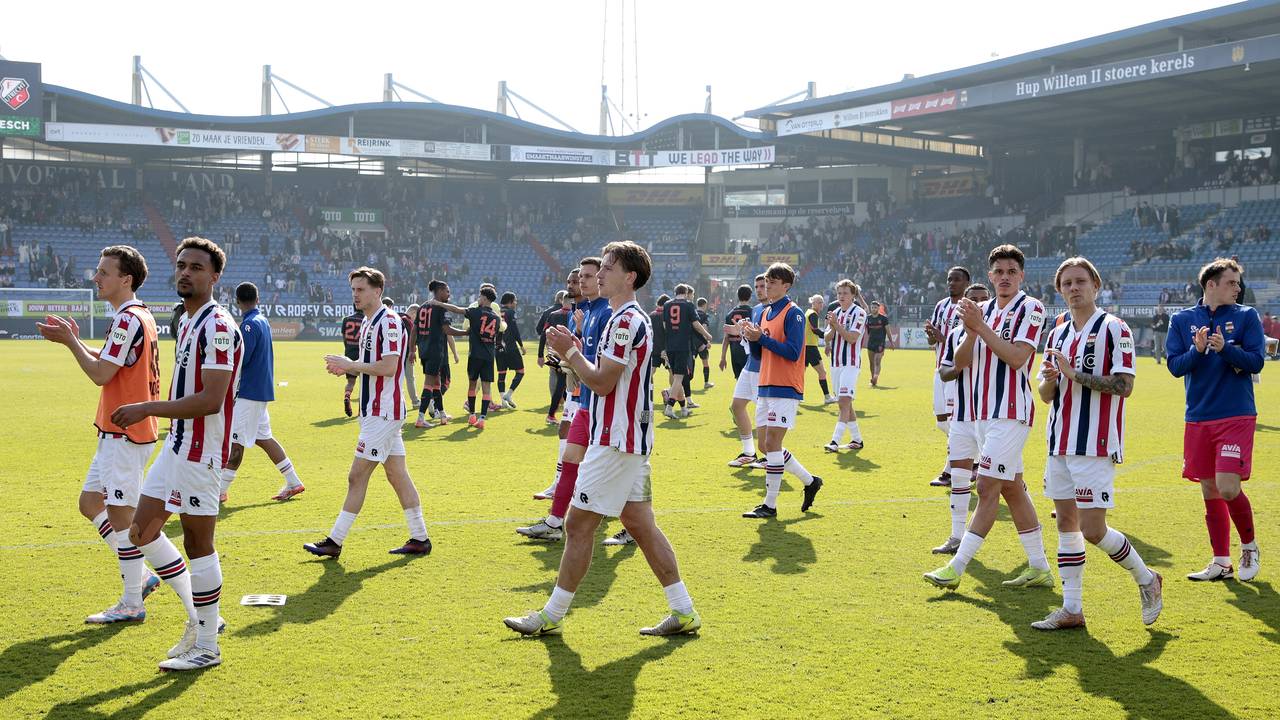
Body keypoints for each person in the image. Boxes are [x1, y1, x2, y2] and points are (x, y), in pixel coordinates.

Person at [504, 241, 700, 637]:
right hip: (626, 437)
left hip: (616, 439)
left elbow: (604, 383)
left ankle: (550, 616)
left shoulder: (626, 320)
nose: (600, 273)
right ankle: (683, 611)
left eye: (609, 267)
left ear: (630, 277)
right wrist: (574, 353)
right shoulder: (622, 317)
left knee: (577, 525)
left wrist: (571, 353)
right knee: (640, 524)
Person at [113, 237, 242, 671]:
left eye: (197, 267)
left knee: (199, 543)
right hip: (177, 444)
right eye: (182, 265)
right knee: (140, 532)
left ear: (215, 276)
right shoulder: (186, 320)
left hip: (202, 452)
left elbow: (210, 399)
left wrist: (147, 407)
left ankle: (208, 645)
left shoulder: (218, 326)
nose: (186, 272)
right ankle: (202, 621)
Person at [1033, 257, 1163, 630]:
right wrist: (1052, 379)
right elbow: (1046, 394)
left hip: (1095, 440)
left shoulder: (1114, 328)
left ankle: (1147, 579)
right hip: (1059, 440)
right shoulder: (1056, 332)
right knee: (1067, 526)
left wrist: (1075, 374)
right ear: (1060, 290)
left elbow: (1125, 385)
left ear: (1096, 285)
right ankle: (1072, 608)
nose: (1074, 288)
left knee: (1093, 529)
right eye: (1067, 283)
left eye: (1080, 281)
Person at [36, 245, 163, 625]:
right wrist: (78, 341)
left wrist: (71, 343)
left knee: (124, 518)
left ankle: (131, 601)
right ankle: (140, 577)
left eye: (104, 272)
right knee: (91, 503)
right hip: (120, 431)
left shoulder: (127, 320)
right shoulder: (136, 316)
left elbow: (100, 375)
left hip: (125, 434)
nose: (96, 277)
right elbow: (113, 360)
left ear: (126, 279)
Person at [924, 245, 1052, 591]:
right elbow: (960, 363)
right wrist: (971, 331)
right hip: (980, 415)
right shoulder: (981, 311)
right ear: (990, 275)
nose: (1005, 277)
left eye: (1012, 271)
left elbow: (1016, 358)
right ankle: (1039, 566)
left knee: (985, 486)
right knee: (1012, 488)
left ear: (1021, 275)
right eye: (999, 272)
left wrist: (981, 327)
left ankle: (956, 566)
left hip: (1010, 412)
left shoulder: (1031, 308)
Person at [307, 267, 431, 560]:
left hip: (383, 412)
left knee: (356, 475)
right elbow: (371, 366)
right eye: (353, 290)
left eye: (360, 290)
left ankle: (334, 541)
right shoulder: (367, 322)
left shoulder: (388, 322)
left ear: (378, 291)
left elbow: (388, 367)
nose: (355, 295)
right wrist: (347, 367)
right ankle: (420, 538)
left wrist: (351, 365)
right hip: (376, 411)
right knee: (397, 474)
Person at [1167, 257, 1264, 582]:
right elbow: (1175, 366)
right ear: (1211, 284)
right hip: (1198, 416)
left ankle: (1249, 545)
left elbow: (1256, 361)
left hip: (1235, 414)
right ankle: (1221, 561)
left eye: (1238, 283)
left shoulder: (1247, 316)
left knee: (1227, 485)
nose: (1237, 288)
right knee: (1209, 488)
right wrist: (1197, 351)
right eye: (1231, 282)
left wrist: (1225, 350)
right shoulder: (1182, 319)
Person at [517, 258, 619, 544]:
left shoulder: (607, 314)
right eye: (580, 277)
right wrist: (569, 352)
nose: (584, 281)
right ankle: (553, 523)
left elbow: (605, 366)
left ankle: (631, 525)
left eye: (589, 276)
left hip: (605, 406)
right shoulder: (586, 312)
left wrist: (571, 356)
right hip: (587, 403)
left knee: (619, 468)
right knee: (570, 459)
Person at [741, 263, 824, 518]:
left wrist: (762, 339)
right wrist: (750, 338)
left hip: (785, 385)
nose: (768, 285)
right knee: (766, 446)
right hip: (765, 384)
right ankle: (810, 481)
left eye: (773, 281)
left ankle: (770, 505)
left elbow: (792, 351)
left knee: (772, 443)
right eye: (767, 280)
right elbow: (760, 352)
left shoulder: (794, 313)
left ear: (786, 286)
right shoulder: (765, 313)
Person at [220, 282, 305, 503]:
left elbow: (242, 359)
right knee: (264, 438)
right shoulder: (262, 320)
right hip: (260, 391)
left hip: (248, 392)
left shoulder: (247, 326)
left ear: (237, 302)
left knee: (235, 443)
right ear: (258, 299)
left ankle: (218, 492)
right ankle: (294, 481)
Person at [931, 283, 990, 556]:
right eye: (972, 300)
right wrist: (957, 366)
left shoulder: (1000, 335)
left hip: (995, 417)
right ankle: (956, 536)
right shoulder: (955, 335)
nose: (978, 304)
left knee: (1012, 486)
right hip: (963, 414)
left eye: (982, 299)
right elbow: (944, 371)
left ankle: (1036, 557)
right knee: (959, 477)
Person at [429, 286, 502, 429]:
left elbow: (456, 309)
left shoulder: (475, 312)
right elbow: (497, 338)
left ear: (485, 298)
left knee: (472, 385)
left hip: (475, 355)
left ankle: (472, 415)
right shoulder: (496, 318)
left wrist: (440, 304)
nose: (478, 299)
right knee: (486, 387)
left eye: (480, 297)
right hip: (489, 356)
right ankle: (482, 419)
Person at [926, 267, 971, 487]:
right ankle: (975, 459)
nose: (952, 283)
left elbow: (964, 340)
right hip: (939, 370)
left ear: (966, 283)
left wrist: (943, 338)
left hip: (957, 372)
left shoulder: (969, 308)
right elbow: (933, 342)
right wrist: (931, 336)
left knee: (955, 423)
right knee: (942, 423)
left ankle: (951, 470)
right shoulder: (941, 306)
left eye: (957, 280)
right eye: (949, 279)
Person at [727, 275, 768, 468]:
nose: (760, 289)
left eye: (763, 286)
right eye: (757, 286)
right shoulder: (756, 309)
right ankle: (749, 452)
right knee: (736, 406)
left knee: (764, 412)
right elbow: (753, 338)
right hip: (750, 364)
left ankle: (769, 455)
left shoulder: (777, 310)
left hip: (764, 368)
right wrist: (742, 331)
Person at [823, 280, 867, 453]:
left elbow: (852, 338)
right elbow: (827, 337)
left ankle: (835, 440)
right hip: (835, 364)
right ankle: (857, 439)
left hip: (851, 362)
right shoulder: (834, 312)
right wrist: (832, 327)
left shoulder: (860, 313)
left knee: (843, 401)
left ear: (853, 295)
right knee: (846, 403)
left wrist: (836, 325)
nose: (841, 296)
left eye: (845, 293)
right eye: (839, 293)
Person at [412, 281, 462, 427]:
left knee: (436, 383)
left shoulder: (422, 307)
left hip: (424, 350)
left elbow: (414, 330)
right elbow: (447, 330)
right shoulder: (441, 308)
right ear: (439, 291)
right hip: (435, 350)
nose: (449, 294)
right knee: (429, 383)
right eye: (447, 291)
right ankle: (421, 418)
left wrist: (411, 350)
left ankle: (442, 415)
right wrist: (466, 332)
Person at [661, 284, 711, 418]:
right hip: (682, 345)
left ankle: (684, 408)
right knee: (679, 378)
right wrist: (707, 335)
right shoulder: (688, 305)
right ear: (687, 292)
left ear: (675, 292)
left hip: (670, 345)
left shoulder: (667, 304)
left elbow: (665, 325)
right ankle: (670, 407)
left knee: (679, 378)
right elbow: (696, 324)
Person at [804, 295, 836, 404]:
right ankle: (827, 397)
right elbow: (814, 329)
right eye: (819, 302)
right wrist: (826, 335)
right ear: (813, 302)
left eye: (822, 302)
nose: (821, 304)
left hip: (804, 347)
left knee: (800, 373)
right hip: (811, 347)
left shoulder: (808, 312)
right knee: (822, 372)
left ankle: (797, 396)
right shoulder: (813, 314)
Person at [496, 292, 526, 409]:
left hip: (498, 346)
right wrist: (521, 345)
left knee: (501, 375)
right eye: (515, 300)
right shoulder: (510, 312)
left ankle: (503, 400)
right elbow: (514, 330)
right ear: (510, 302)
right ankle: (508, 395)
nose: (516, 303)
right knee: (520, 371)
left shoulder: (496, 311)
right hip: (510, 347)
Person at [719, 284, 754, 381]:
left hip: (734, 351)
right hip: (748, 352)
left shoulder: (730, 314)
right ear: (750, 296)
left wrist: (723, 357)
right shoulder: (753, 312)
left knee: (739, 381)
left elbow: (726, 338)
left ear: (737, 296)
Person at [864, 301, 895, 386]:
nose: (874, 309)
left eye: (875, 307)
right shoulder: (868, 318)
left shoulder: (883, 319)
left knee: (877, 361)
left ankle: (875, 376)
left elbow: (888, 331)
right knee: (871, 363)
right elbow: (867, 331)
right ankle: (873, 379)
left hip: (880, 343)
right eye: (872, 307)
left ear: (878, 308)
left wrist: (891, 342)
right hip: (871, 343)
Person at [340, 306, 363, 417]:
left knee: (350, 382)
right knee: (364, 384)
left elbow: (344, 337)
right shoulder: (366, 319)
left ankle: (347, 397)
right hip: (362, 355)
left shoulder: (346, 319)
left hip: (349, 353)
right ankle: (360, 411)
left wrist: (348, 348)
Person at [695, 297, 714, 389]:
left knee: (690, 364)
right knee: (705, 363)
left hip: (691, 342)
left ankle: (683, 384)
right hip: (701, 342)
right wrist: (707, 341)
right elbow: (704, 327)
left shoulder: (692, 313)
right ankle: (706, 383)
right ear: (704, 305)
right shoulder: (704, 316)